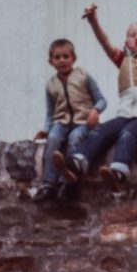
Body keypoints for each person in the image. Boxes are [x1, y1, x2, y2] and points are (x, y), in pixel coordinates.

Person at [53, 0, 137, 192]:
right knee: (100, 130)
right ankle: (78, 163)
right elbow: (105, 43)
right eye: (132, 35)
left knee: (129, 132)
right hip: (126, 113)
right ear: (126, 42)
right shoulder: (123, 60)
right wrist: (93, 21)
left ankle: (119, 172)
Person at [33, 39, 106, 202]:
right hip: (62, 122)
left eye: (66, 56)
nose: (62, 60)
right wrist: (46, 128)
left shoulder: (83, 76)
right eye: (57, 57)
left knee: (75, 138)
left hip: (83, 122)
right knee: (53, 138)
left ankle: (69, 183)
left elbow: (101, 100)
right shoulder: (51, 85)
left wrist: (95, 111)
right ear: (50, 62)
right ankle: (49, 184)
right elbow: (50, 112)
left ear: (74, 58)